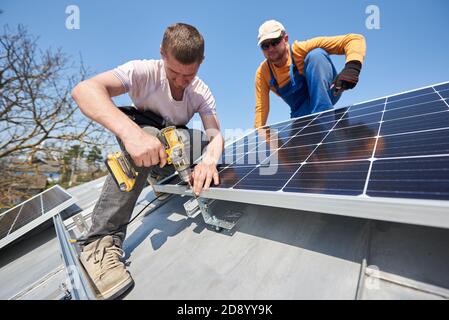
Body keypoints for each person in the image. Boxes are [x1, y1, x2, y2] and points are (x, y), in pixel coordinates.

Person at [71, 23, 224, 299]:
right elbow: (84, 90)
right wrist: (132, 135)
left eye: (188, 75)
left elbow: (216, 136)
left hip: (171, 141)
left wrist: (209, 161)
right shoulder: (142, 71)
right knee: (152, 134)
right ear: (162, 54)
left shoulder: (201, 91)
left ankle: (159, 174)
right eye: (174, 72)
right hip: (139, 134)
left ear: (201, 63)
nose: (180, 81)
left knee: (199, 139)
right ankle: (99, 243)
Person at [254, 19, 366, 128]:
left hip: (327, 93)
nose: (271, 49)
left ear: (285, 39)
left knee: (316, 55)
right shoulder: (263, 73)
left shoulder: (300, 50)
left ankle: (324, 120)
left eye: (275, 42)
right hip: (301, 113)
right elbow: (261, 108)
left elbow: (354, 39)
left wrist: (352, 67)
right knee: (301, 142)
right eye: (265, 46)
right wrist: (256, 137)